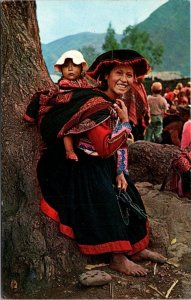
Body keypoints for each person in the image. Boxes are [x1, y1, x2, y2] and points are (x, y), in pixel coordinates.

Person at [26, 49, 167, 277]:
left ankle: (137, 249)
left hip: (103, 160)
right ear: (106, 77)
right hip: (79, 164)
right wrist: (124, 123)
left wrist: (121, 171)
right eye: (119, 73)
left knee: (130, 192)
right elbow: (104, 147)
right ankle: (118, 257)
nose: (124, 79)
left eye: (129, 75)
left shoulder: (113, 101)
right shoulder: (97, 105)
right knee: (105, 198)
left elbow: (117, 147)